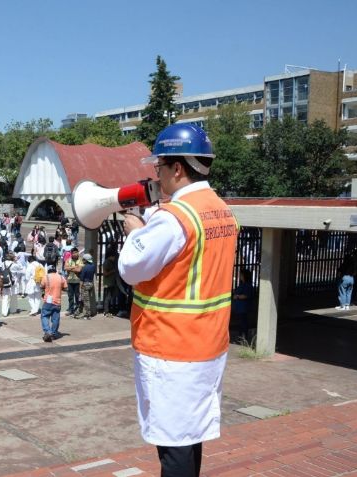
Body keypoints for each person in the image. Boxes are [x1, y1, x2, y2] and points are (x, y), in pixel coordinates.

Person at [119, 123, 238, 476]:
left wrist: (136, 233)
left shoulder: (175, 219)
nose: (157, 174)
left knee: (173, 446)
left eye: (159, 166)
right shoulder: (219, 209)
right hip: (207, 345)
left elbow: (130, 267)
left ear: (177, 168)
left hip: (171, 348)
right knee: (190, 436)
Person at [40, 265, 67, 342]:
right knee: (56, 318)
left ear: (48, 270)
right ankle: (54, 334)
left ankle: (48, 331)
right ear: (55, 270)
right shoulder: (61, 277)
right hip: (57, 301)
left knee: (44, 316)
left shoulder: (46, 277)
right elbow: (65, 287)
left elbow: (41, 286)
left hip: (48, 300)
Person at [231, 269, 253, 342]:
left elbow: (246, 295)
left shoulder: (247, 285)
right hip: (240, 308)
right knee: (241, 323)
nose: (240, 276)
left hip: (243, 308)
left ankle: (243, 338)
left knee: (243, 323)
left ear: (244, 276)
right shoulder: (242, 284)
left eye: (241, 275)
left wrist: (237, 296)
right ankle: (241, 337)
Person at [78, 254, 97, 319]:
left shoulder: (84, 267)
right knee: (89, 298)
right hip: (91, 283)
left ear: (86, 260)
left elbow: (82, 279)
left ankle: (87, 314)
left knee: (86, 300)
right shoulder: (93, 266)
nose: (83, 260)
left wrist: (80, 288)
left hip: (85, 284)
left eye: (83, 259)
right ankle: (89, 312)